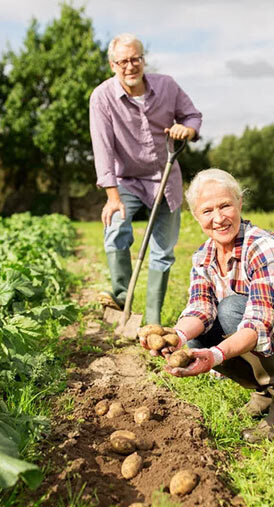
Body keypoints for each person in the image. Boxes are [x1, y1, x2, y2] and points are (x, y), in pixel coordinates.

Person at [146, 169, 274, 443]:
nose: (219, 218)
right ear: (196, 217)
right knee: (199, 333)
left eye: (225, 206)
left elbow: (259, 322)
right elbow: (200, 309)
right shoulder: (202, 256)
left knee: (233, 309)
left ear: (240, 204)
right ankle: (264, 393)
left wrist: (216, 356)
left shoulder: (263, 246)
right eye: (208, 210)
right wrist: (177, 336)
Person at [89, 33, 202, 325]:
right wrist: (112, 197)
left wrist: (186, 130)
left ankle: (152, 321)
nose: (130, 66)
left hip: (165, 180)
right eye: (123, 61)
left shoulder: (167, 86)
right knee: (116, 227)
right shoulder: (102, 97)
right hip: (127, 180)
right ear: (113, 64)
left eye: (136, 58)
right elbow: (102, 147)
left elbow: (192, 116)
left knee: (162, 252)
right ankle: (120, 297)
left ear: (143, 59)